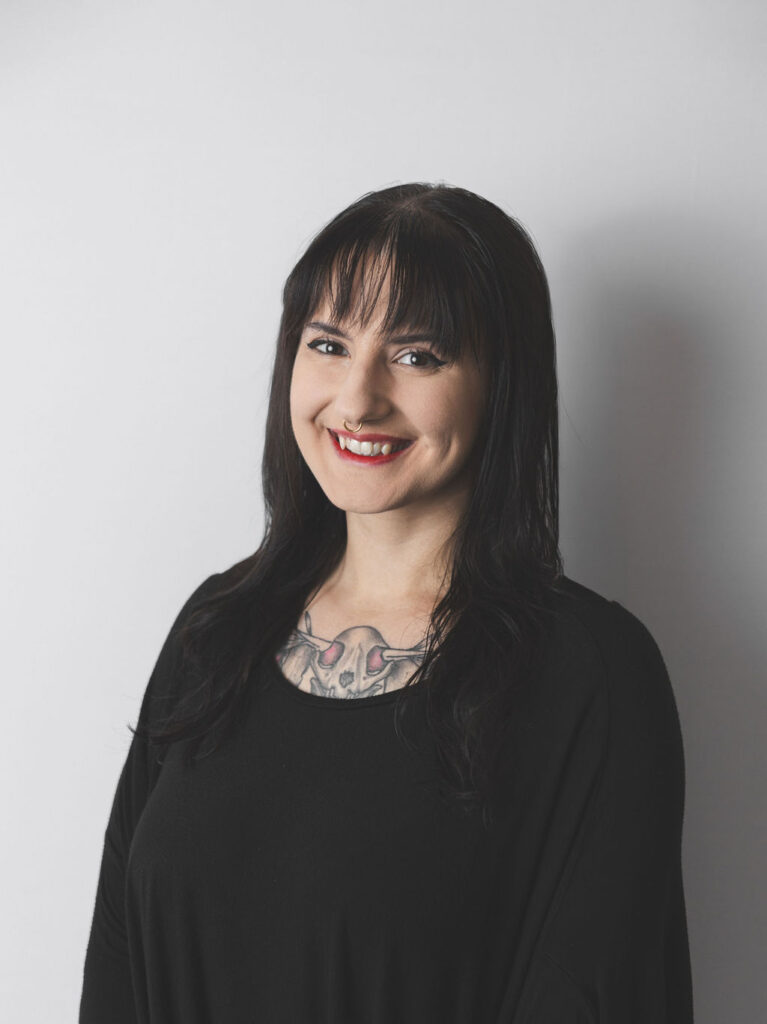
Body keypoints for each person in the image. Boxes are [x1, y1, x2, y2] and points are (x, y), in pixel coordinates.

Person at [79, 183, 694, 1023]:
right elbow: (115, 973)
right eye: (327, 343)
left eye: (417, 356)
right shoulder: (213, 630)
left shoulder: (592, 674)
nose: (358, 397)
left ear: (501, 382)